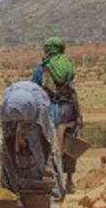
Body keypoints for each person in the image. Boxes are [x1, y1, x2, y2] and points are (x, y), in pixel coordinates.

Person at [0, 81, 65, 201]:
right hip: (17, 114)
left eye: (21, 120)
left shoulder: (41, 106)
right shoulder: (6, 107)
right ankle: (13, 189)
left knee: (45, 152)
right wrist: (15, 141)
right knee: (6, 152)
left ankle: (50, 190)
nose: (20, 123)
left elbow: (45, 139)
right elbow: (7, 135)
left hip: (35, 120)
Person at [32, 37, 82, 193]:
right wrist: (79, 114)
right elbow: (73, 92)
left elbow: (35, 90)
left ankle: (54, 181)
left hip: (52, 110)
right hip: (70, 109)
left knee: (50, 145)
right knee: (69, 145)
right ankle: (69, 182)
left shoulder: (44, 69)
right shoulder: (68, 67)